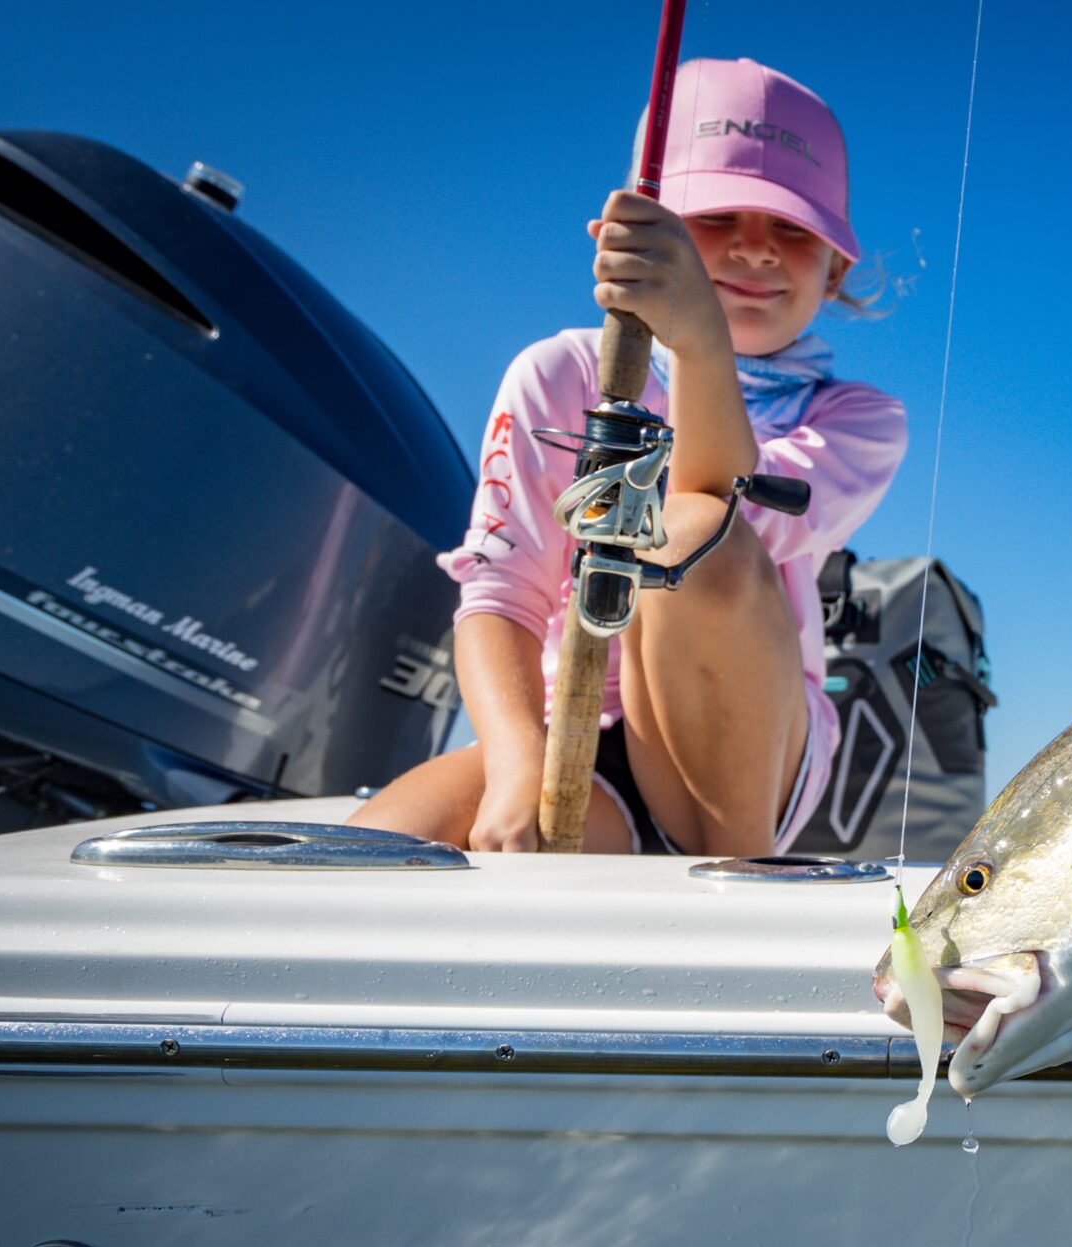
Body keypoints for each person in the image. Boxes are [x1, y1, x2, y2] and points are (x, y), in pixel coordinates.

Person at [354, 59, 906, 854]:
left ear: (837, 267)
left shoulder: (860, 419)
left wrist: (698, 345)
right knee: (378, 854)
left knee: (686, 530)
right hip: (561, 729)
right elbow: (500, 595)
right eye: (717, 218)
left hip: (744, 767)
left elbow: (719, 517)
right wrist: (517, 768)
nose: (755, 251)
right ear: (642, 231)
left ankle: (733, 878)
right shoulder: (556, 373)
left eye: (792, 228)